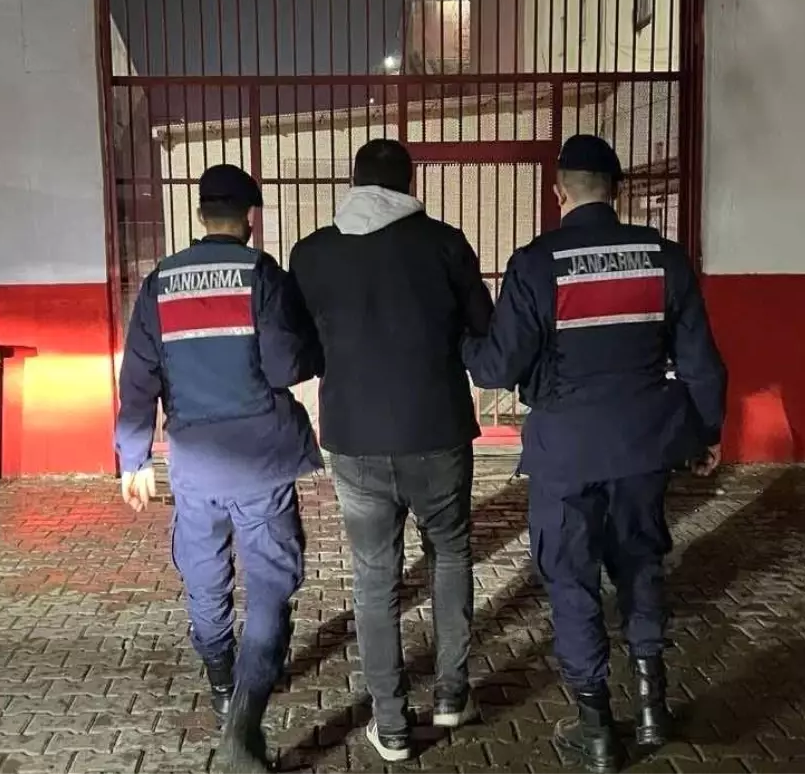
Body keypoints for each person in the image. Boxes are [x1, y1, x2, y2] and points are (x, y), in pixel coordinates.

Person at [462, 135, 727, 774]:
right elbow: (701, 363)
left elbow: (496, 368)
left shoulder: (536, 263)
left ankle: (597, 729)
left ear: (559, 192)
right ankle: (653, 707)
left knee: (571, 578)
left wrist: (464, 342)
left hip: (565, 453)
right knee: (641, 564)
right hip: (642, 446)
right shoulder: (664, 258)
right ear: (619, 191)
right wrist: (704, 433)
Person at [289, 139, 493, 762]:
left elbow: (301, 346)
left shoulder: (312, 253)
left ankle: (393, 724)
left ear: (354, 183)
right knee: (450, 555)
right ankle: (453, 696)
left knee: (375, 576)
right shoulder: (445, 244)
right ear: (410, 185)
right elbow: (483, 328)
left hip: (354, 439)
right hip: (437, 430)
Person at [114, 164, 322, 774]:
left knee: (205, 579)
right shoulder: (262, 275)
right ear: (250, 219)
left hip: (195, 468)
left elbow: (138, 379)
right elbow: (286, 367)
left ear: (201, 215)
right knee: (270, 585)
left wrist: (133, 457)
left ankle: (223, 682)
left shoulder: (159, 284)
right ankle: (247, 710)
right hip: (260, 463)